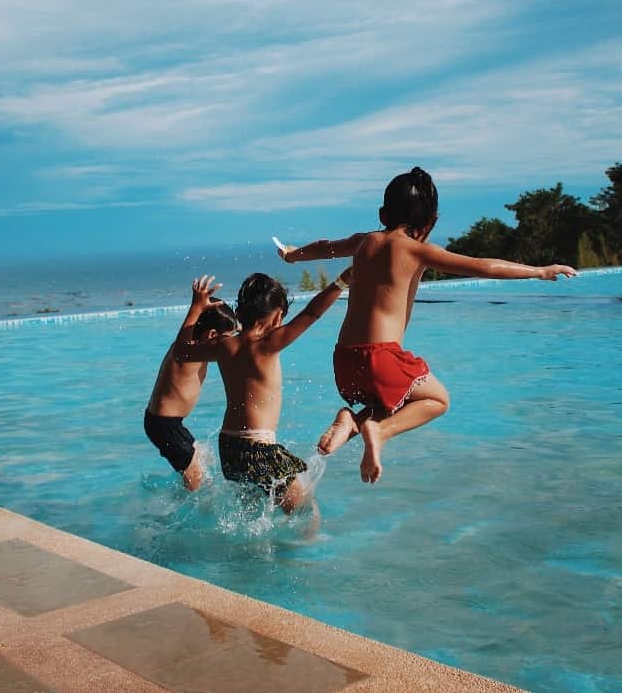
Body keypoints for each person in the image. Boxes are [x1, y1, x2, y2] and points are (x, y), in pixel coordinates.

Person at [278, 166, 576, 484]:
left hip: (345, 360)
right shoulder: (418, 250)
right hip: (382, 357)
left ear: (382, 212)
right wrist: (541, 271)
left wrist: (293, 255)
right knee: (437, 400)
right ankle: (377, 430)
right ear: (431, 220)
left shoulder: (365, 242)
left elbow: (326, 247)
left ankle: (351, 421)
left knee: (391, 399)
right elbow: (485, 267)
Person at [175, 269, 352, 514]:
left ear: (239, 313)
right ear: (278, 317)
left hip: (228, 447)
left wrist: (195, 308)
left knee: (252, 511)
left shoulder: (224, 346)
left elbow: (181, 352)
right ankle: (302, 550)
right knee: (305, 509)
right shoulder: (268, 344)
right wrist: (341, 282)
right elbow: (312, 313)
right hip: (258, 448)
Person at [143, 275, 237, 491]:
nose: (230, 343)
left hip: (169, 423)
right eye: (228, 337)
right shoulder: (187, 351)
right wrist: (196, 306)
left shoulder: (198, 349)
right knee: (194, 475)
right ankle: (183, 513)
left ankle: (187, 494)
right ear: (212, 334)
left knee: (205, 458)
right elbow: (185, 342)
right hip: (163, 425)